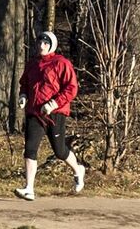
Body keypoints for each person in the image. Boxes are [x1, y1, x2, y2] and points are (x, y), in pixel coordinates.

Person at [15, 31, 87, 201]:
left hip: (56, 113)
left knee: (60, 150)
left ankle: (78, 170)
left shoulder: (61, 63)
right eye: (40, 42)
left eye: (45, 43)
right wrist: (23, 96)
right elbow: (24, 83)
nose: (42, 46)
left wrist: (54, 104)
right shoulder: (32, 63)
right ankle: (29, 188)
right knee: (30, 149)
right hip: (35, 112)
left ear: (52, 45)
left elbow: (72, 88)